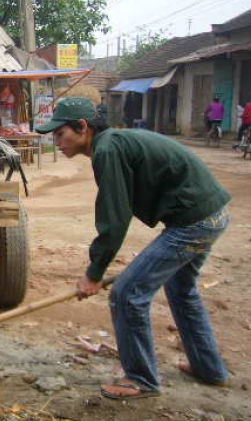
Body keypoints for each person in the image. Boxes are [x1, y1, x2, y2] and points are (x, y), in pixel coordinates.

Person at [35, 97, 231, 400]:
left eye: (60, 134)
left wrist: (94, 272)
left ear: (82, 127)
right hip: (208, 214)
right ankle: (209, 368)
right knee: (181, 290)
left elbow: (114, 218)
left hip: (194, 221)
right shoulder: (113, 143)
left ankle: (141, 379)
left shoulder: (108, 149)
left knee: (127, 294)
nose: (57, 142)